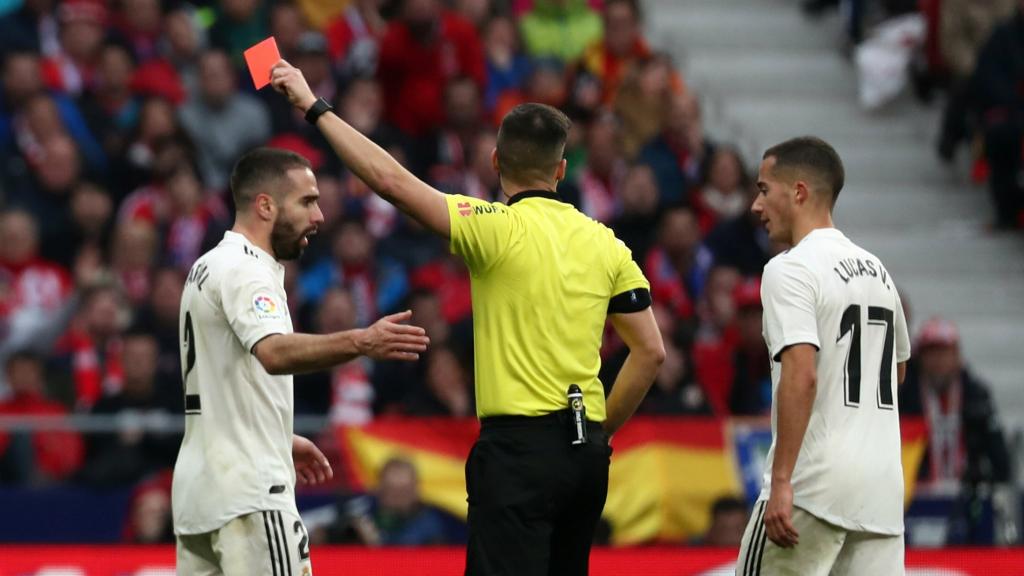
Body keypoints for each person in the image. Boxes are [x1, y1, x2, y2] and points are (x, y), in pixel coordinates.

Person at [271, 60, 665, 576]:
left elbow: (389, 181)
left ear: (496, 163)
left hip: (518, 451)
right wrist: (600, 430)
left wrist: (314, 107)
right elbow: (651, 351)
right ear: (562, 169)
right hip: (584, 456)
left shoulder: (494, 228)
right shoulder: (607, 243)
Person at [172, 147, 430, 576]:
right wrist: (361, 340)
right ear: (266, 205)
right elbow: (273, 352)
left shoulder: (207, 266)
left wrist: (277, 433)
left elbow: (221, 378)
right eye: (307, 201)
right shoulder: (247, 271)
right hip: (251, 492)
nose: (319, 216)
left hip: (202, 493)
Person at [735, 137, 912, 575]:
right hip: (880, 496)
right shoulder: (878, 272)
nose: (756, 206)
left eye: (763, 189)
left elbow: (802, 375)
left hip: (812, 488)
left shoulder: (790, 268)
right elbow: (899, 369)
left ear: (797, 192)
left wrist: (780, 482)